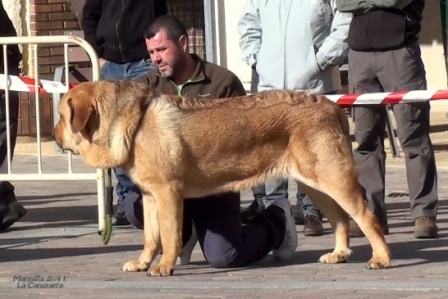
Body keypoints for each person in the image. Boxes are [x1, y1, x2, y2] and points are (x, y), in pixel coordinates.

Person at [125, 15, 298, 267]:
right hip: (169, 185)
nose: (156, 58)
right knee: (133, 205)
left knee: (224, 256)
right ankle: (184, 235)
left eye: (162, 49)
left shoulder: (222, 82)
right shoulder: (147, 87)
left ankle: (278, 219)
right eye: (151, 52)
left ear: (183, 43)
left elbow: (242, 142)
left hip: (213, 187)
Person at [238, 0, 352, 236]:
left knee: (312, 159)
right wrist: (257, 60)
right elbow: (249, 24)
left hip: (313, 86)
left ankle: (312, 211)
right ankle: (276, 218)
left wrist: (320, 60)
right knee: (271, 155)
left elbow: (344, 21)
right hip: (271, 90)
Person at [336, 0, 438, 238]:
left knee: (413, 137)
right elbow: (342, 3)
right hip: (360, 56)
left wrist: (364, 3)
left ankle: (424, 212)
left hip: (400, 53)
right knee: (365, 139)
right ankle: (372, 213)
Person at [81, 0, 168, 225]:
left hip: (143, 62)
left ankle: (151, 195)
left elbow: (159, 16)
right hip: (110, 64)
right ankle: (127, 200)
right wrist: (97, 56)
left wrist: (153, 54)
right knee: (115, 133)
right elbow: (89, 16)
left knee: (146, 131)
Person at [0, 1, 27, 231]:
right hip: (5, 70)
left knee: (3, 137)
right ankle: (7, 202)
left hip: (4, 74)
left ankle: (7, 202)